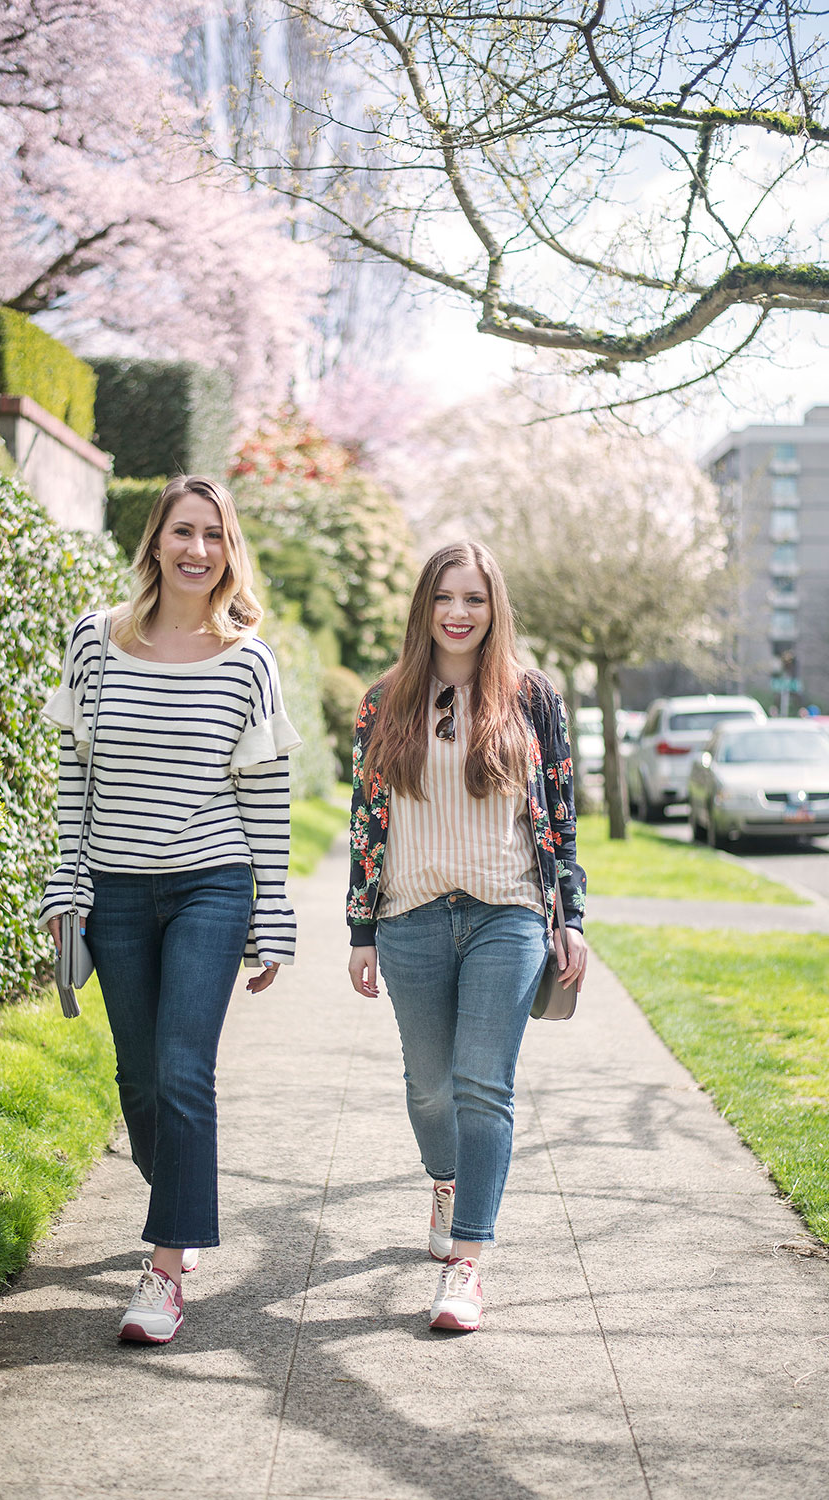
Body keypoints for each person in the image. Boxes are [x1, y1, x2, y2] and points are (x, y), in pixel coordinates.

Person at [40, 475, 300, 1345]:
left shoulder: (248, 659)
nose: (197, 551)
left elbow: (266, 795)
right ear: (154, 540)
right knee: (140, 1077)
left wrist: (275, 916)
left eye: (214, 536)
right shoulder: (94, 644)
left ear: (230, 551)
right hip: (114, 887)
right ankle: (178, 1201)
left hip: (210, 883)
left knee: (185, 1069)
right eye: (183, 532)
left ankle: (162, 1271)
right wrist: (63, 888)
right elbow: (74, 776)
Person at [346, 541, 587, 1332]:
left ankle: (467, 1265)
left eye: (475, 599)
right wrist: (361, 927)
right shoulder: (383, 701)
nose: (459, 612)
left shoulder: (531, 697)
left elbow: (560, 815)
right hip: (410, 913)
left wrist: (570, 916)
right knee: (431, 1086)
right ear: (425, 605)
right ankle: (446, 1183)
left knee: (484, 1083)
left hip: (507, 912)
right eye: (446, 597)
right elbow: (365, 821)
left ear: (494, 609)